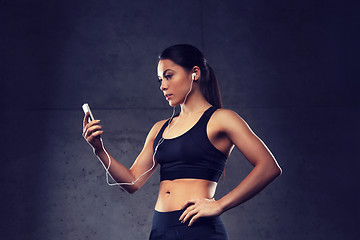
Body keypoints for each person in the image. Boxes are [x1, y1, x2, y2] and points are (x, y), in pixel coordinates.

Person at [82, 44, 282, 239]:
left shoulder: (222, 119)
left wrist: (220, 204)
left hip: (198, 229)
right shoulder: (160, 128)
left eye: (169, 76)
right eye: (160, 79)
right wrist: (100, 149)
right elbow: (132, 181)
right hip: (160, 229)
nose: (162, 85)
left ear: (194, 73)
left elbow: (269, 167)